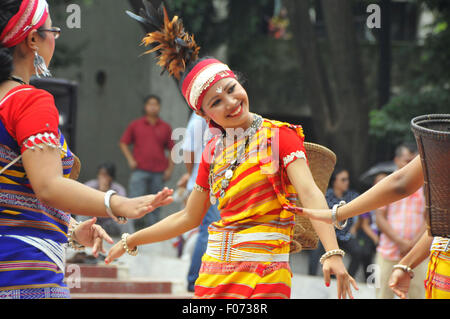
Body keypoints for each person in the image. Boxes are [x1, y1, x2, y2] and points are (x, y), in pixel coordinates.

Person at [107, 3, 358, 300]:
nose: (230, 102)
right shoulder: (212, 150)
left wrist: (333, 251)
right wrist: (132, 239)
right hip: (213, 275)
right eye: (215, 102)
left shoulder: (280, 135)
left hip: (266, 275)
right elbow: (188, 217)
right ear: (204, 117)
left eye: (231, 88)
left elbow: (310, 193)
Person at [0, 0, 173, 299]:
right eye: (53, 30)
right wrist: (117, 203)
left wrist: (70, 231)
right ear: (31, 39)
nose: (58, 36)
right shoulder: (29, 100)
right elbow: (48, 186)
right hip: (24, 273)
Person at [298, 153, 449, 299]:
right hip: (393, 250)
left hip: (424, 255)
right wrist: (406, 262)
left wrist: (336, 215)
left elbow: (401, 185)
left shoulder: (427, 187)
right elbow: (441, 227)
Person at [374, 144, 427, 299]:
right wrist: (400, 242)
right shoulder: (387, 183)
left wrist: (412, 244)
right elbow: (379, 218)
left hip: (417, 253)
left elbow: (429, 219)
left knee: (419, 295)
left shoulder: (425, 185)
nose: (411, 165)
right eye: (407, 160)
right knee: (382, 295)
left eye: (414, 160)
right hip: (388, 251)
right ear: (396, 160)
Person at [177, 112, 220, 292]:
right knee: (209, 230)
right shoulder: (199, 119)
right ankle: (195, 280)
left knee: (210, 230)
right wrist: (192, 174)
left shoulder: (216, 116)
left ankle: (199, 279)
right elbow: (188, 151)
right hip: (204, 184)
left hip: (216, 183)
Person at [120, 94, 175, 228]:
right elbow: (123, 143)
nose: (153, 107)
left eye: (155, 104)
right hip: (140, 169)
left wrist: (169, 169)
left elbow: (173, 150)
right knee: (133, 200)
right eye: (150, 104)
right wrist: (130, 160)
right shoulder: (136, 125)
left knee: (157, 203)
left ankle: (153, 230)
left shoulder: (165, 127)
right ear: (145, 107)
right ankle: (129, 230)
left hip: (159, 171)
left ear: (159, 107)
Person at [308, 168, 360, 278]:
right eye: (343, 180)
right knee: (316, 249)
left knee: (359, 251)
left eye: (347, 179)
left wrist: (354, 227)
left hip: (345, 234)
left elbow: (359, 214)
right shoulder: (325, 195)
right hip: (328, 233)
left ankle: (347, 278)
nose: (347, 182)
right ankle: (310, 277)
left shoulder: (352, 196)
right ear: (335, 181)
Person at [78, 162, 133, 237]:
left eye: (105, 175)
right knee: (81, 212)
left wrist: (105, 191)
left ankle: (129, 242)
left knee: (126, 217)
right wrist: (101, 191)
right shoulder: (90, 185)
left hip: (111, 222)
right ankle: (78, 238)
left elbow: (121, 207)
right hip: (94, 221)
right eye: (101, 174)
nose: (102, 177)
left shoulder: (118, 189)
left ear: (111, 177)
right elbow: (82, 201)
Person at [347, 173, 384, 282]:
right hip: (370, 232)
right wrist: (375, 238)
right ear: (374, 184)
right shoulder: (369, 199)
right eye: (379, 181)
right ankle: (367, 279)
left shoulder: (393, 199)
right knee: (364, 251)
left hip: (385, 233)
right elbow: (364, 224)